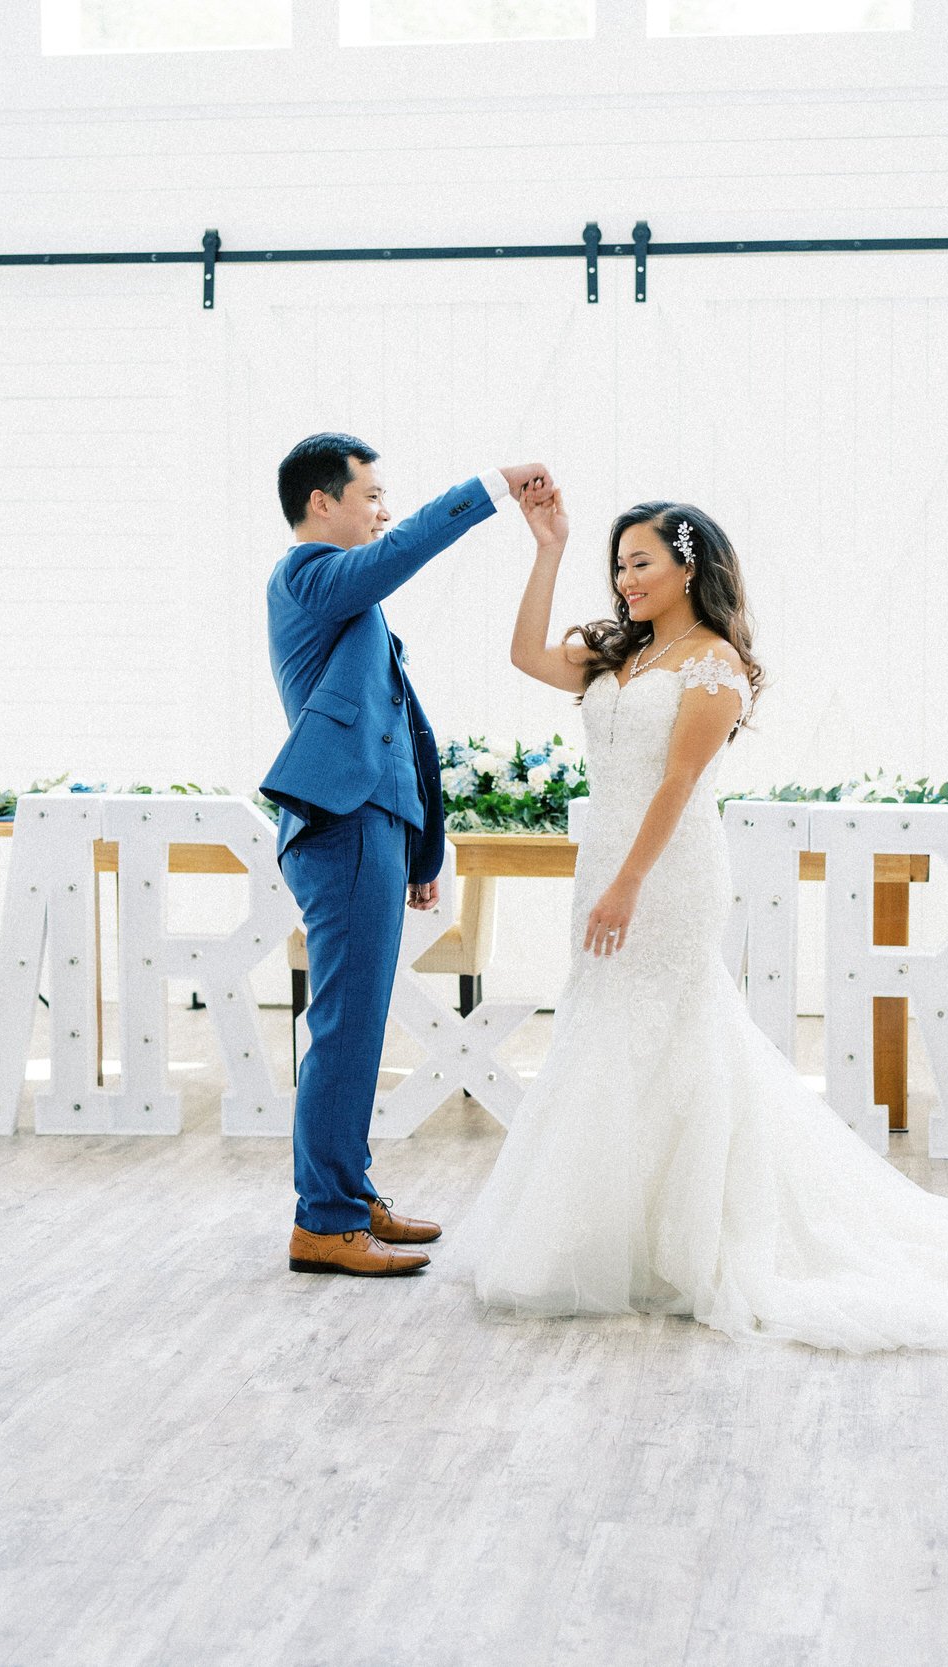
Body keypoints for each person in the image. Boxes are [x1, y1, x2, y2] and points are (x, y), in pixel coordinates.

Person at [446, 493, 948, 1351]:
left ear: (688, 567)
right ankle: (610, 1235)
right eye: (618, 564)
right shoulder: (615, 652)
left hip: (665, 874)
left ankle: (698, 1237)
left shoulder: (714, 667)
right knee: (602, 1028)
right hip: (608, 872)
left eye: (642, 563)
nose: (625, 580)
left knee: (674, 1032)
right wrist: (547, 546)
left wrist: (627, 883)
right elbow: (523, 654)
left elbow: (678, 785)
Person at [260, 433, 554, 1278]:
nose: (384, 510)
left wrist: (424, 847)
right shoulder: (308, 578)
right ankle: (325, 1219)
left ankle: (348, 1196)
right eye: (372, 494)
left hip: (374, 826)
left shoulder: (354, 605)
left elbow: (401, 732)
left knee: (356, 1027)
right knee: (347, 1028)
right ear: (323, 503)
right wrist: (489, 488)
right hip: (344, 828)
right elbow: (398, 553)